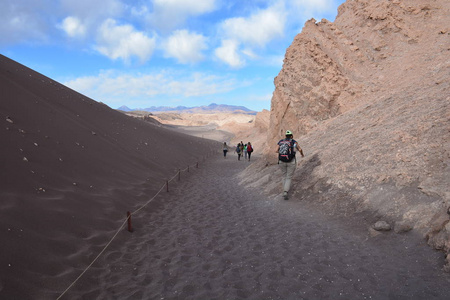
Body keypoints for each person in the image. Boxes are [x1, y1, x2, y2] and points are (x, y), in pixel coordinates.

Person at [276, 130, 304, 200]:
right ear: (291, 136)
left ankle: (284, 191)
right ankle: (285, 192)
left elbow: (276, 150)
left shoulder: (281, 142)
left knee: (284, 176)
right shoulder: (294, 142)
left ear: (285, 136)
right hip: (291, 161)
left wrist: (283, 152)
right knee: (289, 177)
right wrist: (302, 154)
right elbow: (300, 149)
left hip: (281, 161)